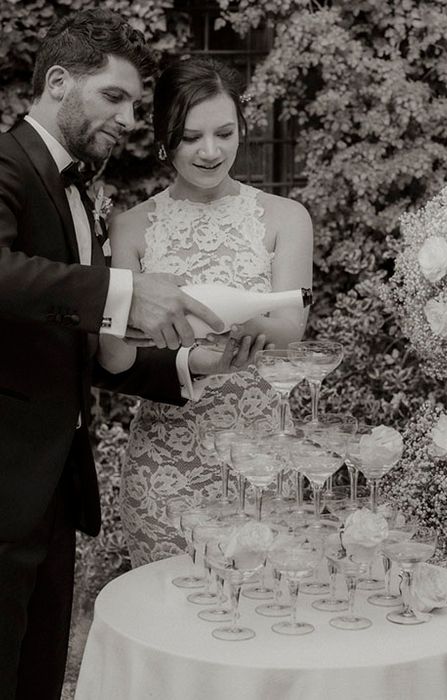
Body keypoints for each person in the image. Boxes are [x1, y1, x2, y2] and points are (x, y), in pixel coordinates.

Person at [0, 11, 265, 700]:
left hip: (49, 491)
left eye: (135, 105)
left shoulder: (78, 192)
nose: (127, 117)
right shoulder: (6, 164)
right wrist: (124, 290)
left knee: (34, 677)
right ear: (59, 83)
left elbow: (80, 349)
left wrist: (189, 367)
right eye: (113, 97)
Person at [97, 56, 313, 567]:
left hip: (263, 456)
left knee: (263, 613)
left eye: (224, 132)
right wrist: (206, 348)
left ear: (242, 127)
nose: (211, 151)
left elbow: (288, 328)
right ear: (165, 140)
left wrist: (191, 319)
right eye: (192, 137)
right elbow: (114, 350)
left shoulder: (287, 218)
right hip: (166, 457)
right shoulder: (129, 227)